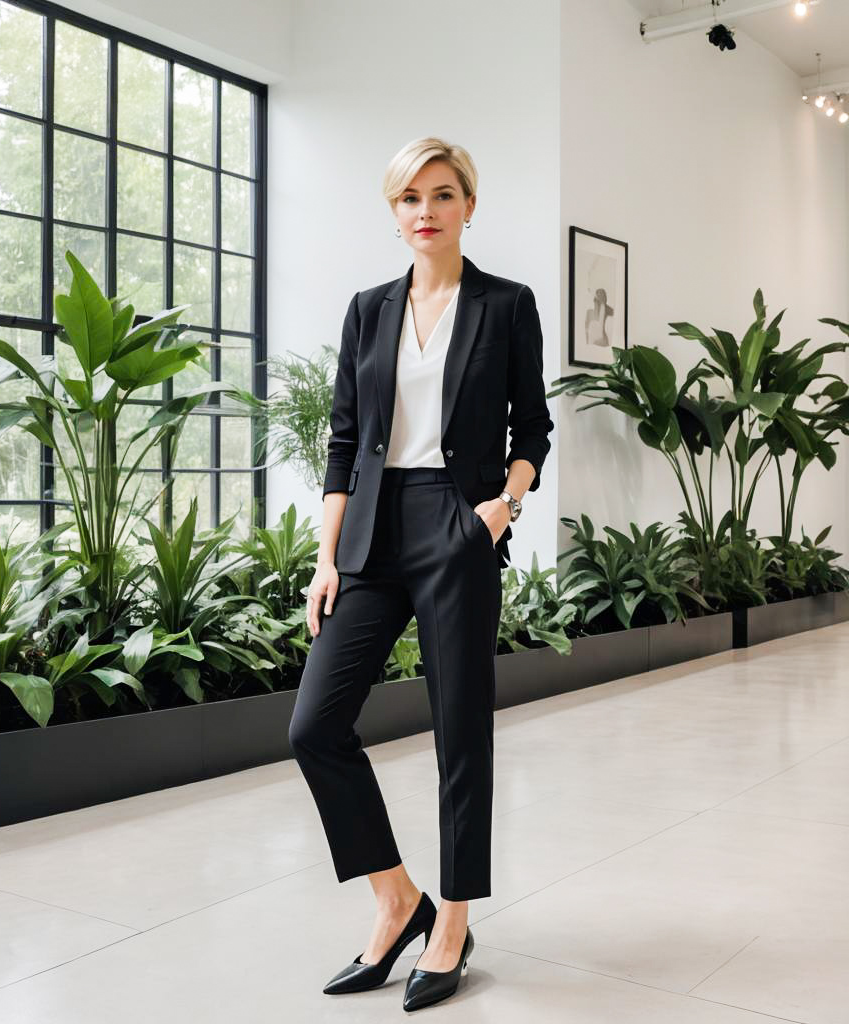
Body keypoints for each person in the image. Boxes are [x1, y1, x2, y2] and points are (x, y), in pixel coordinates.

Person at [288, 136, 554, 1012]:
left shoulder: (506, 305)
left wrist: (499, 509)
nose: (426, 210)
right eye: (410, 197)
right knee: (314, 726)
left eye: (442, 195)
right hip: (369, 533)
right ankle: (397, 897)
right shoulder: (367, 310)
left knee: (459, 731)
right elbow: (339, 442)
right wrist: (327, 560)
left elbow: (533, 433)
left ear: (468, 206)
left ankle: (454, 919)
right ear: (394, 211)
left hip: (457, 523)